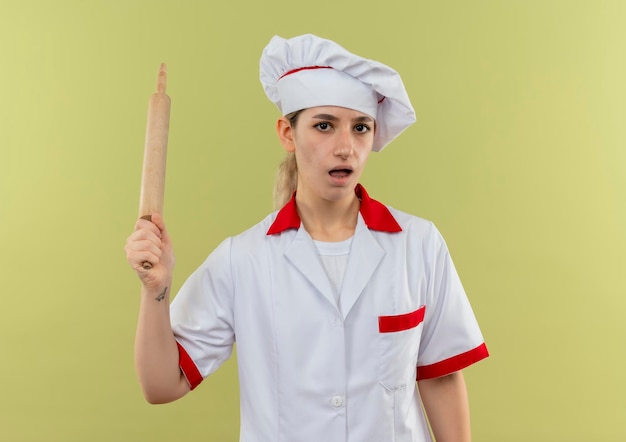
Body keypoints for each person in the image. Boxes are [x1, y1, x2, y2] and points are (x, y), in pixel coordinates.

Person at [125, 34, 489, 442]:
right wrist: (156, 289)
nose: (346, 148)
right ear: (287, 133)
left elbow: (440, 378)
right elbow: (161, 385)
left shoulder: (419, 245)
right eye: (324, 126)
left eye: (361, 128)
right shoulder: (242, 259)